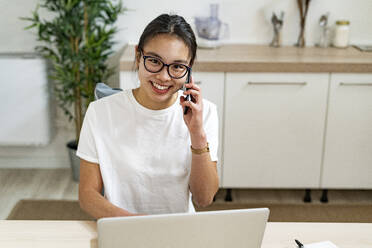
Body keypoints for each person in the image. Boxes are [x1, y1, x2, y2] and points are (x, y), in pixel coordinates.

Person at [77, 14, 219, 219]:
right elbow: (87, 195)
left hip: (179, 232)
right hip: (122, 229)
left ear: (189, 67)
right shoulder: (100, 112)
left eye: (177, 66)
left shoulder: (204, 114)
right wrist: (137, 226)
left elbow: (204, 198)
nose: (163, 76)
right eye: (154, 61)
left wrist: (197, 133)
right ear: (137, 56)